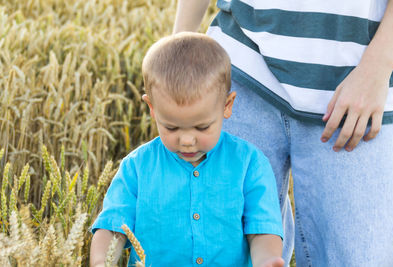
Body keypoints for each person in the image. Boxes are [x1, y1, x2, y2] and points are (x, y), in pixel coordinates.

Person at [173, 0, 393, 266]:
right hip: (241, 70)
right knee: (223, 253)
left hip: (358, 87)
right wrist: (178, 51)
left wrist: (377, 68)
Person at [90, 32, 285, 267]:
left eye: (202, 127)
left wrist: (267, 260)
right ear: (152, 108)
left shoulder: (250, 164)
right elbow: (113, 227)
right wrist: (102, 260)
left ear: (227, 105)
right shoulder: (136, 168)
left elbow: (261, 229)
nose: (187, 140)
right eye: (171, 127)